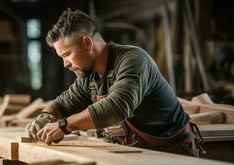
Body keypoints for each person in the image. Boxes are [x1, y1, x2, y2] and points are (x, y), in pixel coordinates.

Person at [25, 9, 205, 157]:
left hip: (173, 156)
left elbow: (117, 106)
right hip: (139, 154)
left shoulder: (133, 60)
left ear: (87, 43)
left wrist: (64, 126)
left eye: (66, 55)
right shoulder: (88, 76)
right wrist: (45, 118)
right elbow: (63, 103)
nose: (65, 64)